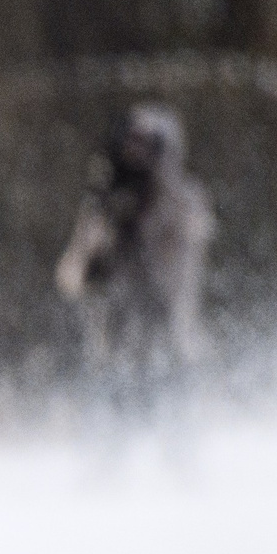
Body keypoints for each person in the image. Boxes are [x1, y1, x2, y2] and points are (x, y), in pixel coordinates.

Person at [54, 102, 213, 399]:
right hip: (114, 349)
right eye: (129, 141)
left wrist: (149, 210)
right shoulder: (102, 204)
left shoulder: (183, 201)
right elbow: (70, 276)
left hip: (170, 343)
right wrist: (96, 255)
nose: (133, 152)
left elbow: (180, 274)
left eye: (144, 144)